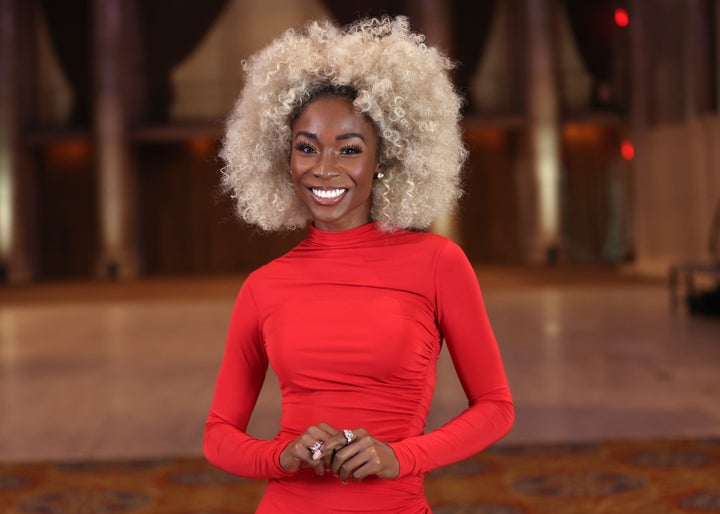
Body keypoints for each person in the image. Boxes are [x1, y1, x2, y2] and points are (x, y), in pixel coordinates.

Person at [204, 15, 514, 513]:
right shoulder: (264, 286)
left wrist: (402, 457)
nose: (324, 168)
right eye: (307, 147)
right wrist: (281, 455)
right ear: (285, 159)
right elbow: (218, 435)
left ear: (383, 159)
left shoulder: (438, 264)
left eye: (349, 149)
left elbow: (497, 408)